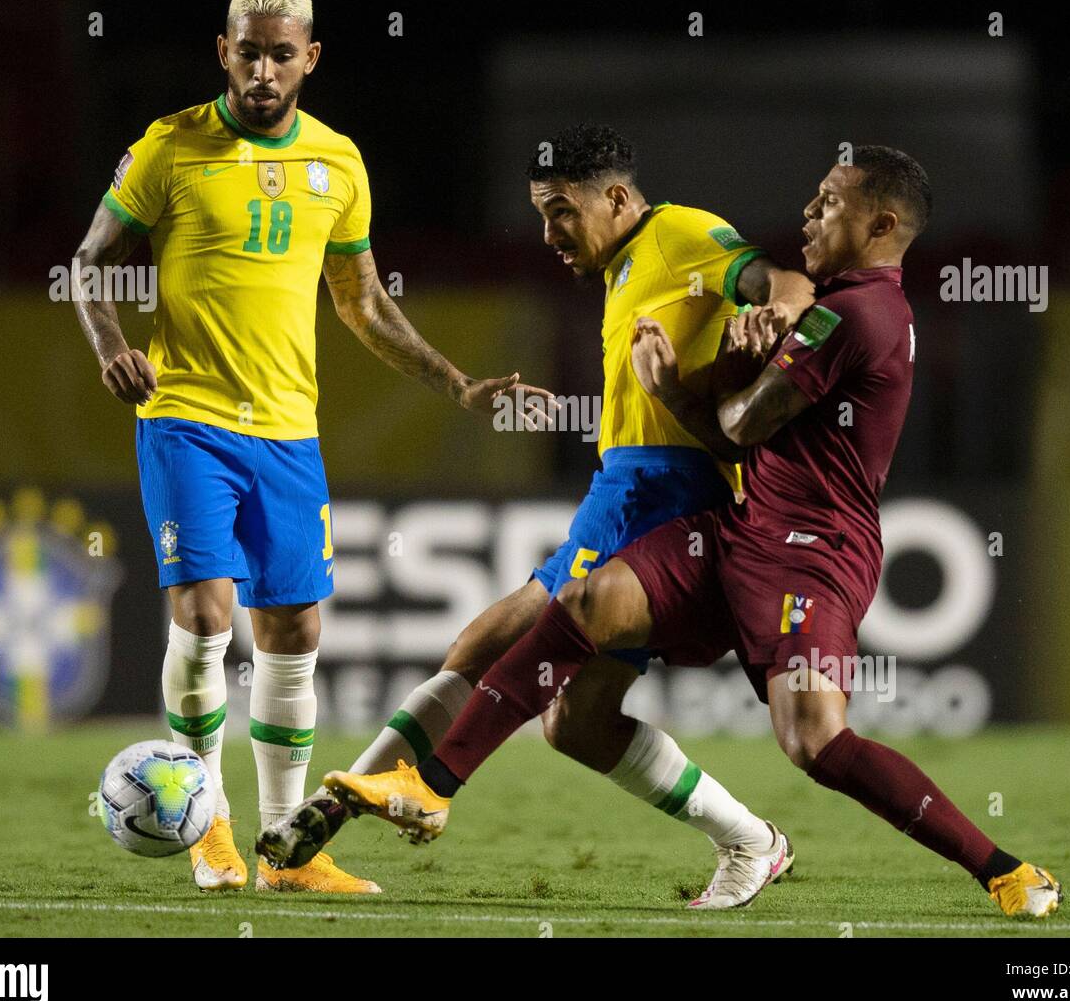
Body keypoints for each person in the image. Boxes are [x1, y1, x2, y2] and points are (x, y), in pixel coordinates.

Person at [324, 146, 1063, 918]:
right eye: (815, 195)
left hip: (811, 554)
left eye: (831, 201)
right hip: (737, 528)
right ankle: (431, 786)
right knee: (581, 610)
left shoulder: (855, 313)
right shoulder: (843, 303)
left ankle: (1004, 869)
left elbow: (739, 429)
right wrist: (730, 356)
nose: (809, 211)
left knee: (815, 742)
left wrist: (671, 382)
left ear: (881, 223)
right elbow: (750, 403)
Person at [70, 0, 552, 894]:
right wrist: (110, 347)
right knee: (207, 615)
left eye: (280, 54)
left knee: (293, 630)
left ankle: (287, 849)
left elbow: (363, 302)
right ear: (224, 51)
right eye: (246, 51)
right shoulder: (170, 148)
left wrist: (453, 381)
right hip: (186, 418)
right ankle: (207, 825)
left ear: (310, 59)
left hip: (289, 434)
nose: (262, 69)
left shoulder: (339, 163)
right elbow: (89, 262)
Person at [257, 123, 816, 909]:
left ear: (618, 198)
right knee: (575, 723)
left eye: (561, 212)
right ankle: (753, 841)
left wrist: (782, 315)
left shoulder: (682, 234)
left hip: (664, 496)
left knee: (495, 638)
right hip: (627, 484)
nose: (547, 234)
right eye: (539, 213)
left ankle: (360, 800)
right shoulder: (627, 267)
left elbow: (785, 279)